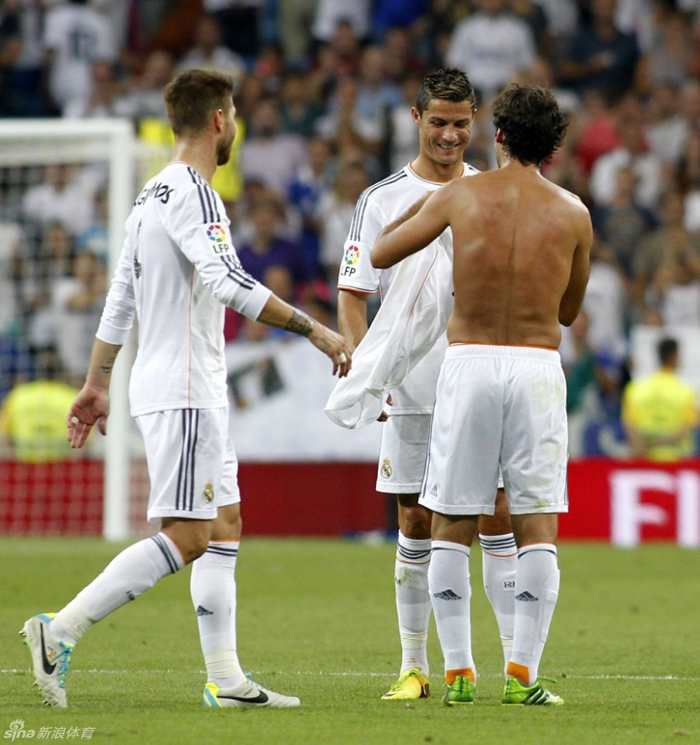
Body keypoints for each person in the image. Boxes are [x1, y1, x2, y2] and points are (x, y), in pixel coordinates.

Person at [20, 68, 352, 710]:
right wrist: (314, 329)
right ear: (221, 120)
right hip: (185, 386)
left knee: (224, 523)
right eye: (235, 118)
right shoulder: (195, 193)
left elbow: (120, 299)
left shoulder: (149, 196)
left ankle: (225, 681)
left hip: (180, 383)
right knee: (193, 532)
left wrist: (95, 381)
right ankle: (58, 632)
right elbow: (227, 281)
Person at [372, 83, 591, 706]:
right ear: (552, 145)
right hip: (535, 363)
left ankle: (460, 671)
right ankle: (522, 673)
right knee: (535, 521)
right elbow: (570, 312)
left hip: (466, 363)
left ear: (496, 134)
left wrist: (424, 209)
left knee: (451, 518)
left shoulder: (458, 196)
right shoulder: (573, 212)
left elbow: (383, 252)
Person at [337, 68, 516, 701]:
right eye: (438, 121)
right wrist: (368, 374)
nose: (449, 134)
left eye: (460, 122)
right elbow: (354, 294)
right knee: (414, 518)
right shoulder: (381, 198)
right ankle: (414, 666)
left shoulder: (496, 191)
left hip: (479, 375)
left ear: (477, 123)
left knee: (496, 514)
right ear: (416, 120)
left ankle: (513, 669)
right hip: (411, 385)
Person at [622, 337, 698, 461]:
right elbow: (685, 429)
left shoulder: (636, 388)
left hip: (644, 459)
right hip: (676, 460)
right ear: (675, 356)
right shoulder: (686, 391)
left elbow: (629, 425)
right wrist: (658, 444)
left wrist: (642, 450)